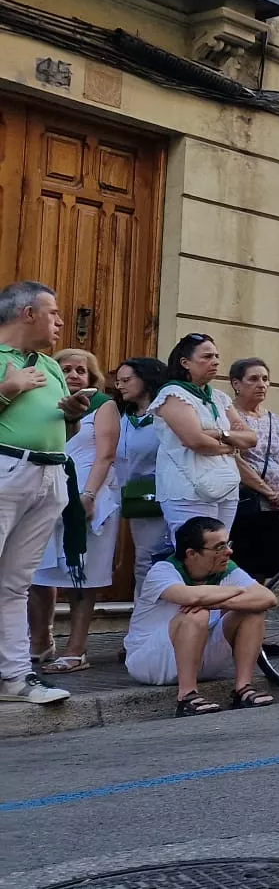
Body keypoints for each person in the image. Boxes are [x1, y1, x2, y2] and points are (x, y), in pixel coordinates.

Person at [0, 282, 83, 705]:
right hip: (7, 468)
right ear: (28, 313)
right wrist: (7, 388)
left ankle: (14, 677)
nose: (61, 322)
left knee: (16, 583)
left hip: (50, 474)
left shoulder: (50, 366)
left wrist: (72, 415)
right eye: (54, 313)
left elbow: (64, 427)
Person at [122, 517, 278, 716]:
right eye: (219, 547)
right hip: (151, 662)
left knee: (252, 610)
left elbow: (267, 598)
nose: (229, 552)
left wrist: (219, 603)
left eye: (227, 544)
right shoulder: (163, 570)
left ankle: (243, 689)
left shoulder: (225, 568)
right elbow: (190, 597)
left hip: (200, 658)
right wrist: (238, 592)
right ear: (192, 554)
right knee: (198, 614)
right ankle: (186, 696)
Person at [27, 349, 116, 674]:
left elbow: (106, 454)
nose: (74, 375)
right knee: (38, 573)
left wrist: (89, 496)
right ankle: (40, 641)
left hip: (90, 495)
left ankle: (76, 650)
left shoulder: (102, 405)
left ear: (92, 377)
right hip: (46, 494)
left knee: (82, 576)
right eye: (66, 369)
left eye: (81, 370)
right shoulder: (42, 402)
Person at [151, 334, 254, 539]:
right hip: (187, 489)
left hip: (225, 485)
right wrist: (232, 444)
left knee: (220, 548)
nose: (215, 361)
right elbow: (196, 441)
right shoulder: (173, 394)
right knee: (194, 549)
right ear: (185, 362)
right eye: (207, 356)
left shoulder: (219, 397)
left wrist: (219, 434)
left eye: (216, 356)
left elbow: (251, 439)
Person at [226, 358, 279, 582]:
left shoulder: (275, 419)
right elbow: (235, 460)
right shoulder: (230, 418)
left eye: (265, 379)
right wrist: (269, 492)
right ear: (236, 384)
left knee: (267, 570)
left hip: (277, 507)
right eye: (254, 379)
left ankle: (258, 604)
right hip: (247, 503)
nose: (262, 384)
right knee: (241, 566)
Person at [110, 358, 169, 587]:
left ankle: (152, 607)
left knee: (152, 559)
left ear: (146, 379)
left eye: (126, 380)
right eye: (118, 381)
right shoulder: (122, 416)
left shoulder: (165, 416)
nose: (120, 386)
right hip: (129, 497)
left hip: (160, 497)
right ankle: (144, 607)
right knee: (144, 558)